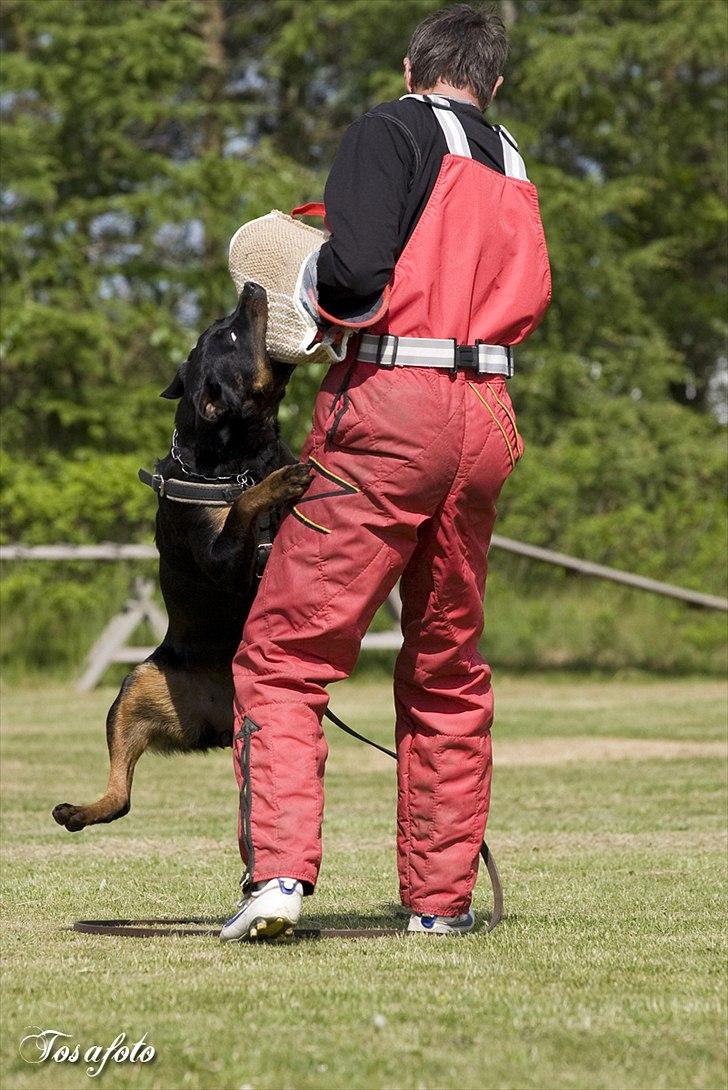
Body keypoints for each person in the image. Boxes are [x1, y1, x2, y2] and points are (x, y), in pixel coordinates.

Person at [221, 2, 551, 942]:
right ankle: (439, 908)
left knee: (286, 654)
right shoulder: (513, 162)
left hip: (393, 406)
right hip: (486, 414)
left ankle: (280, 879)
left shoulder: (388, 128)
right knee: (449, 667)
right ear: (495, 82)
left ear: (412, 67)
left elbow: (357, 274)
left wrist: (304, 293)